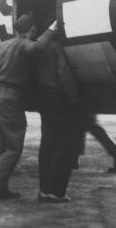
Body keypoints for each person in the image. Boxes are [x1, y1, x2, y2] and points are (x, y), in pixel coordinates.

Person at [0, 12, 57, 200]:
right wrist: (52, 29)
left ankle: (0, 189)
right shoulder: (24, 44)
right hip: (9, 97)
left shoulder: (3, 45)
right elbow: (37, 48)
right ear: (31, 29)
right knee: (14, 148)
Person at [35, 38, 81, 203]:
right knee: (67, 144)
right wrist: (75, 100)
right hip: (57, 97)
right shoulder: (55, 46)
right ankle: (55, 191)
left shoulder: (36, 47)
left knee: (47, 143)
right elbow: (63, 73)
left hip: (43, 97)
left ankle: (44, 190)